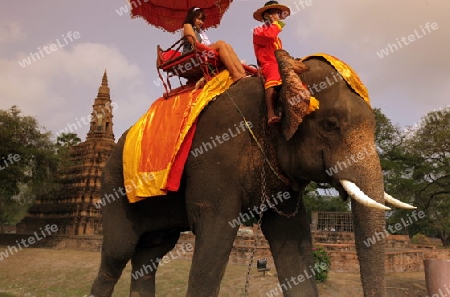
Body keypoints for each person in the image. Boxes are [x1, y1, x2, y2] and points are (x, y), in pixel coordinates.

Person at [182, 7, 247, 83]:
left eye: (202, 20)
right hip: (194, 53)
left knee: (227, 46)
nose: (201, 22)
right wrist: (212, 47)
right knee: (220, 43)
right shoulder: (187, 26)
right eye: (198, 19)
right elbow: (196, 44)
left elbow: (205, 44)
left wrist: (211, 46)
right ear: (192, 17)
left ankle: (242, 73)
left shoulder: (200, 32)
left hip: (203, 50)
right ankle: (235, 75)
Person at [252, 1, 290, 125]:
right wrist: (277, 24)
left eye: (279, 13)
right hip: (268, 63)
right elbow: (268, 36)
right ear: (267, 15)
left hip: (279, 62)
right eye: (275, 12)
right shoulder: (258, 31)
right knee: (274, 73)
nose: (278, 15)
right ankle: (270, 113)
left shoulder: (277, 37)